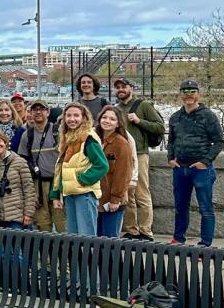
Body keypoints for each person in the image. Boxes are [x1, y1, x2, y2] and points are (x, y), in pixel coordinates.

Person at [167, 80, 224, 247]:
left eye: (192, 90)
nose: (188, 94)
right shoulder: (175, 117)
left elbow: (219, 142)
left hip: (201, 170)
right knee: (180, 207)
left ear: (198, 93)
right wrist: (170, 158)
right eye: (185, 91)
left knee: (205, 209)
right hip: (180, 169)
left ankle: (205, 244)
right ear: (180, 94)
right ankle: (178, 239)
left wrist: (205, 162)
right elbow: (171, 141)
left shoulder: (208, 115)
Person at [114, 77, 164, 241]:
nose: (120, 89)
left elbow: (159, 127)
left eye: (123, 86)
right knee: (127, 193)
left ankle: (146, 230)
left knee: (142, 193)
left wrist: (139, 121)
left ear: (131, 88)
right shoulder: (116, 109)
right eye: (118, 87)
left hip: (140, 154)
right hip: (122, 155)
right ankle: (132, 230)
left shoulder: (143, 105)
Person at [49, 103, 109, 236]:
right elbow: (61, 169)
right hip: (69, 194)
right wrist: (55, 194)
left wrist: (82, 179)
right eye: (68, 115)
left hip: (85, 193)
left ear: (84, 118)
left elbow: (102, 165)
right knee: (74, 236)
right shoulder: (67, 137)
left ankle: (89, 258)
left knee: (86, 236)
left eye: (76, 115)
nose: (72, 119)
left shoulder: (88, 138)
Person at [17, 100, 64, 233]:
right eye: (35, 109)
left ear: (48, 112)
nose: (38, 112)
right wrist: (32, 192)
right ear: (30, 113)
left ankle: (66, 253)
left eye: (42, 109)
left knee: (63, 226)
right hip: (38, 185)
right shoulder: (27, 135)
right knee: (42, 227)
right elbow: (23, 163)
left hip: (57, 183)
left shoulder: (57, 132)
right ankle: (45, 254)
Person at [0, 128, 35, 229]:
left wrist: (28, 213)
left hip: (17, 216)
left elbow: (29, 189)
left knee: (15, 244)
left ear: (5, 142)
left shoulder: (19, 162)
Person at [95, 106, 134, 239]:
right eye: (104, 117)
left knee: (110, 240)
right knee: (97, 239)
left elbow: (123, 174)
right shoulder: (95, 140)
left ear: (118, 124)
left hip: (112, 201)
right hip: (97, 199)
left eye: (112, 119)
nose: (107, 121)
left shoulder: (121, 144)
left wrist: (115, 199)